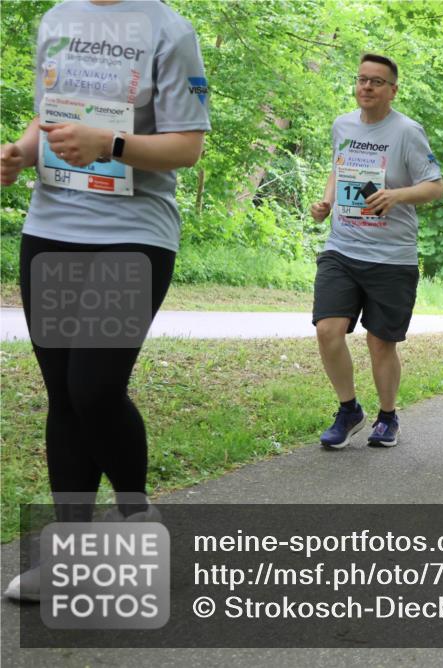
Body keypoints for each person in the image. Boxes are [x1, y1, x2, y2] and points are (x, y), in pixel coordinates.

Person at [1, 0, 210, 601]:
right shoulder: (57, 18)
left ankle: (138, 518)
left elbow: (186, 147)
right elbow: (48, 122)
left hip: (132, 232)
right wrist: (19, 151)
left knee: (93, 386)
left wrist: (111, 143)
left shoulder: (170, 29)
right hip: (51, 228)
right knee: (63, 393)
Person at [310, 53, 443, 450]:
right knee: (327, 330)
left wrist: (397, 195)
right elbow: (339, 167)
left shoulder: (407, 131)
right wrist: (326, 202)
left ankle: (388, 416)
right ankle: (348, 409)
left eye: (377, 82)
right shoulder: (343, 125)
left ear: (393, 90)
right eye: (362, 79)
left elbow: (435, 186)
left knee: (380, 342)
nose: (366, 87)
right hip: (342, 248)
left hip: (391, 256)